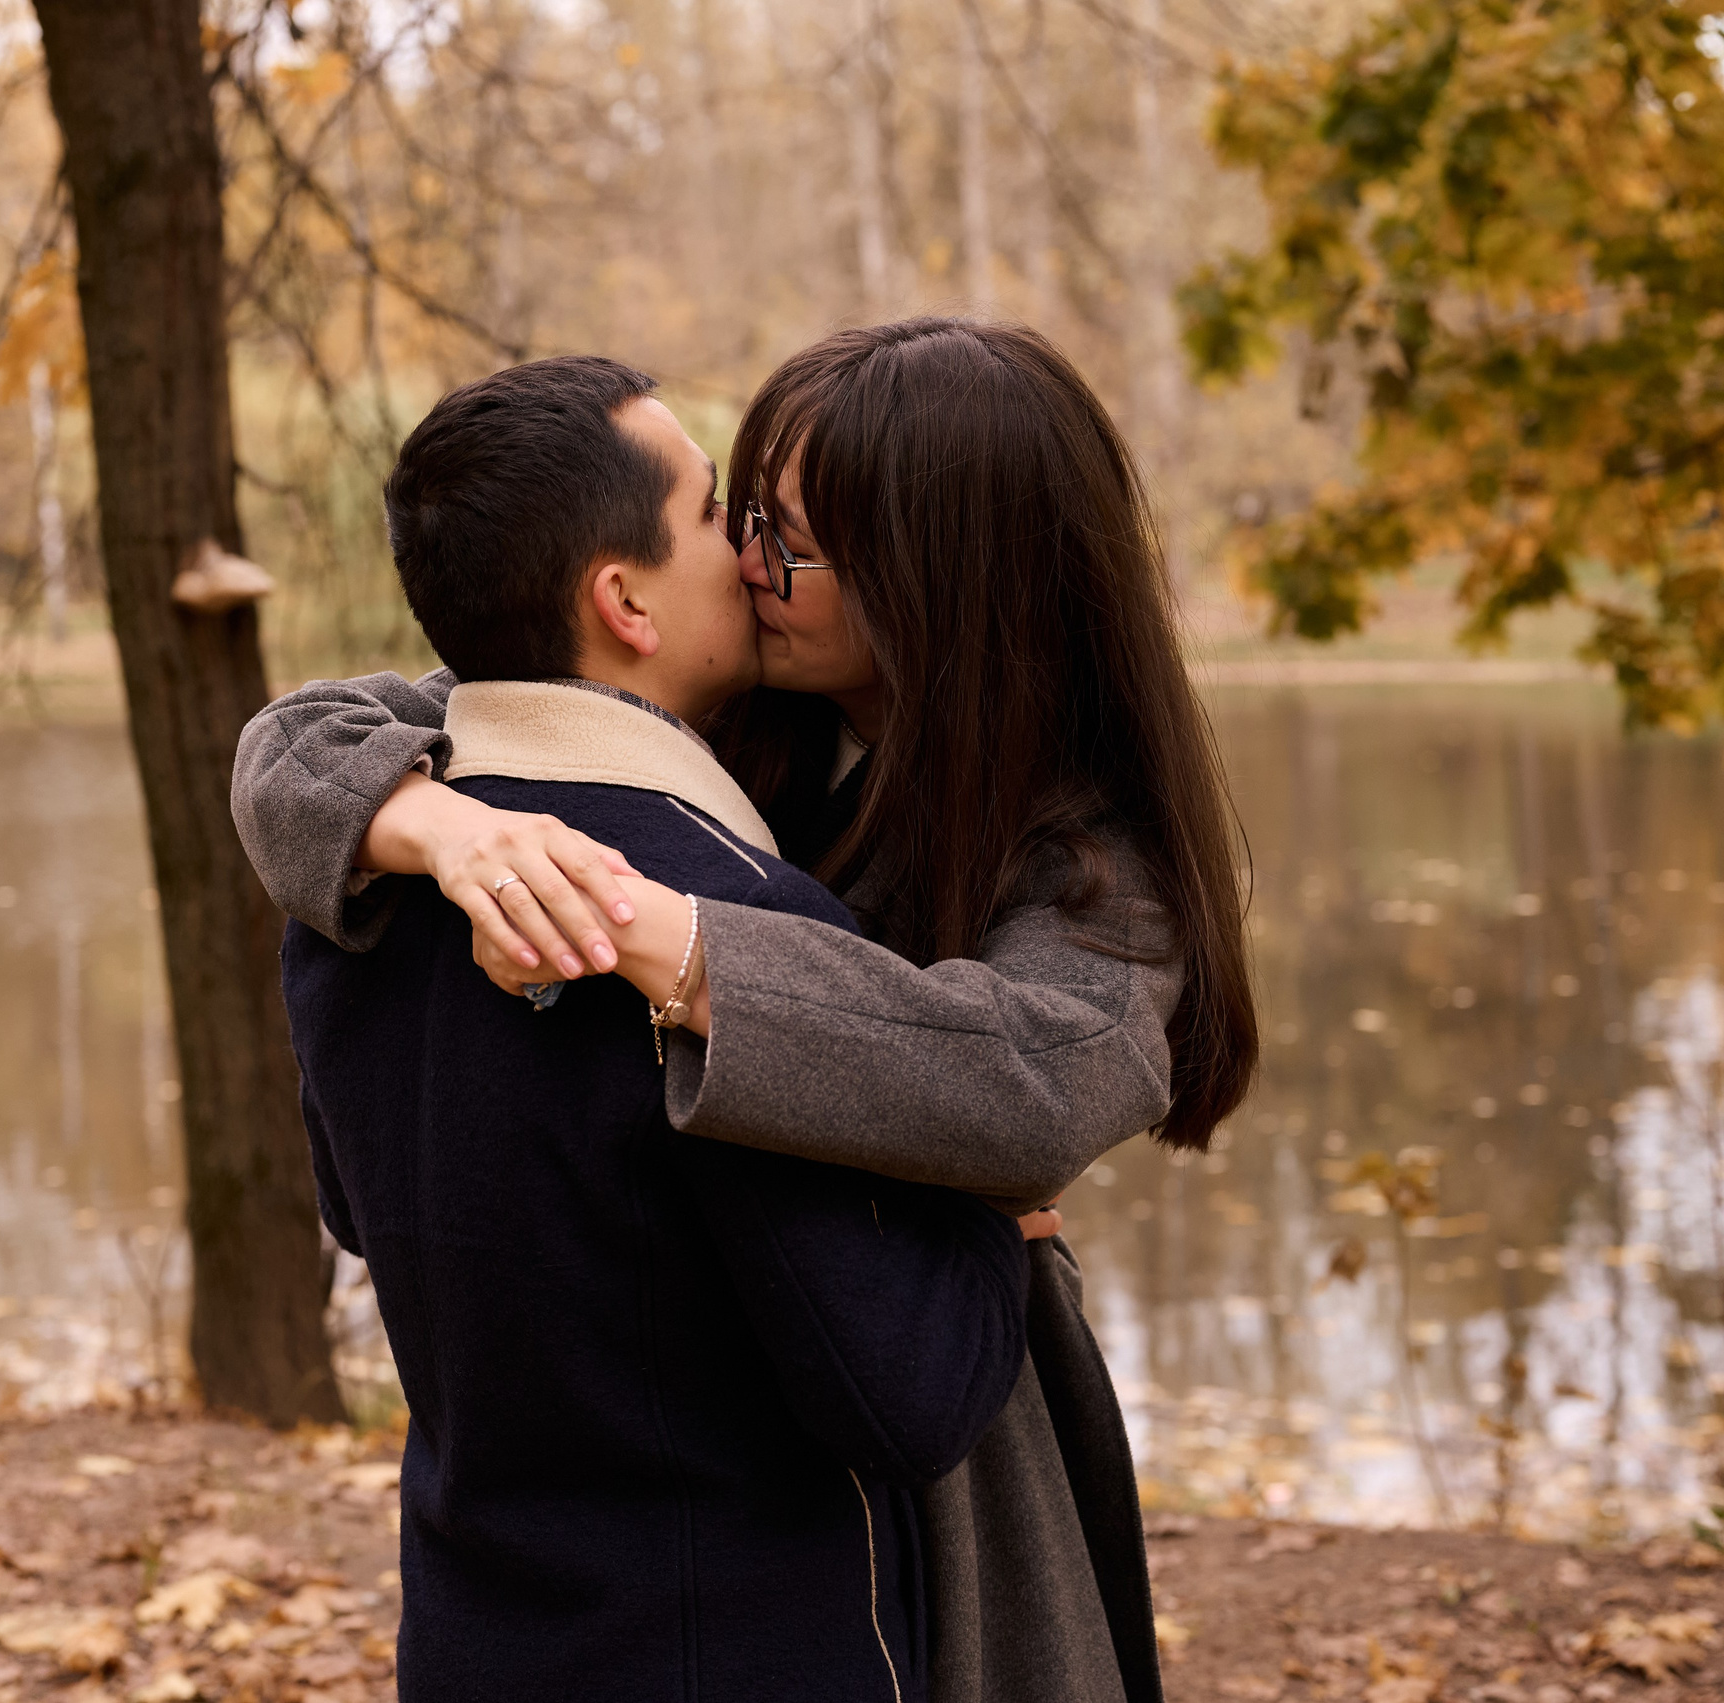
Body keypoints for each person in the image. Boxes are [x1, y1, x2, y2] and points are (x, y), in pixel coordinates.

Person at [237, 318, 1260, 1703]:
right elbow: (305, 735)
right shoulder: (694, 766)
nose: (747, 562)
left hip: (971, 1495)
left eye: (782, 536)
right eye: (739, 518)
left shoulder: (1086, 855)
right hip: (761, 1530)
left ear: (935, 577)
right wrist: (430, 826)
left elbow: (1044, 1086)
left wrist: (668, 942)